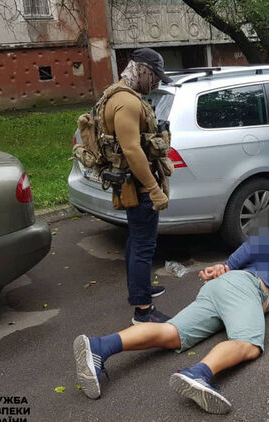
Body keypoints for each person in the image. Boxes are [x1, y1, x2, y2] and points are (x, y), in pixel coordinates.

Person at [72, 232, 269, 414]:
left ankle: (100, 346)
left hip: (219, 292)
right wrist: (228, 265)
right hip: (242, 286)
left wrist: (224, 269)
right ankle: (199, 373)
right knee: (248, 344)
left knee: (171, 332)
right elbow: (258, 244)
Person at [101, 48, 174, 324]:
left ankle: (139, 288)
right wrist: (154, 189)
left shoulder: (117, 93)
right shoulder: (127, 102)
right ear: (142, 69)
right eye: (154, 77)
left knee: (136, 240)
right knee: (144, 245)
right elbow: (132, 150)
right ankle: (143, 311)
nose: (155, 83)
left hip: (131, 182)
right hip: (138, 186)